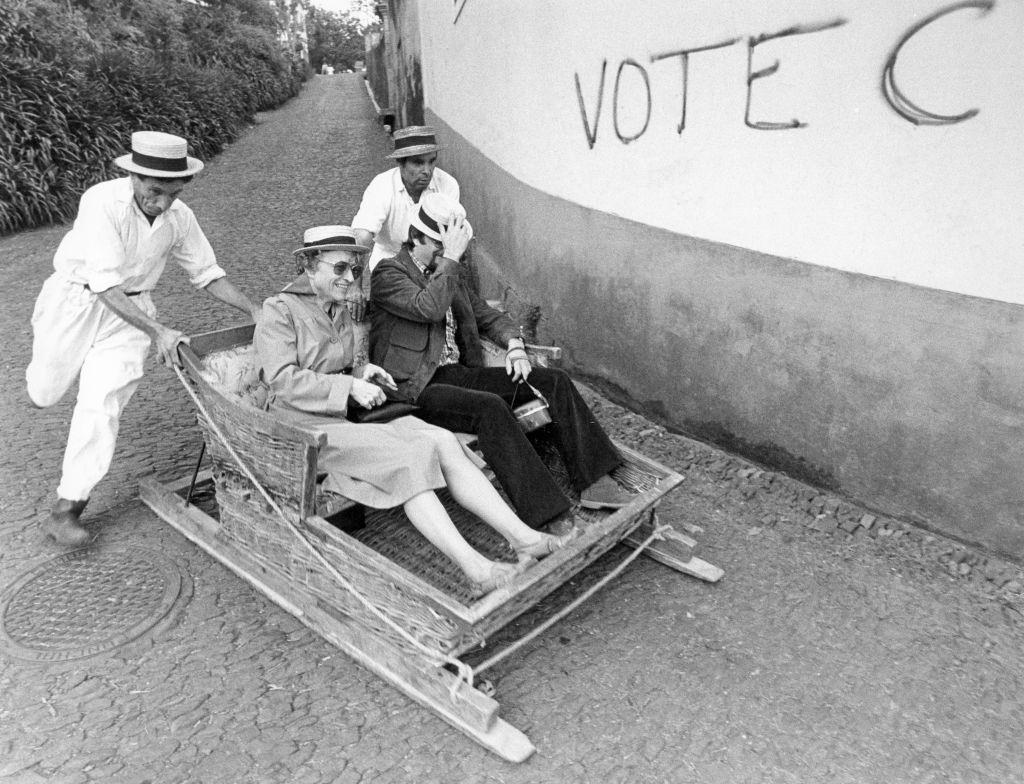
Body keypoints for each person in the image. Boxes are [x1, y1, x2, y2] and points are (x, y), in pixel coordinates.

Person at [255, 225, 570, 595]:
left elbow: (328, 364)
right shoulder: (279, 310)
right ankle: (477, 569)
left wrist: (362, 371)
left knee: (442, 440)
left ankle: (523, 538)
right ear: (309, 266)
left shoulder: (334, 306)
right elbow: (281, 380)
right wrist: (349, 386)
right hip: (301, 429)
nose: (349, 278)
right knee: (411, 456)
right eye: (339, 269)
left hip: (342, 415)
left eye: (355, 271)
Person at [26, 130, 260, 547]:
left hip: (131, 315)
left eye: (174, 192)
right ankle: (45, 378)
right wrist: (161, 332)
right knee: (45, 391)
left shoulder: (179, 217)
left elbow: (207, 273)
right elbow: (103, 284)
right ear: (134, 176)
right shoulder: (101, 202)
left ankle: (67, 508)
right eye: (156, 191)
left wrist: (255, 311)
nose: (165, 202)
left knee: (102, 403)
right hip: (75, 301)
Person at [369, 193, 634, 531]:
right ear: (416, 237)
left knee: (554, 382)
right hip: (414, 388)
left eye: (449, 248)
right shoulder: (389, 273)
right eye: (439, 247)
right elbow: (428, 307)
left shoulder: (450, 271)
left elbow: (487, 316)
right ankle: (549, 514)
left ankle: (595, 483)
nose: (446, 254)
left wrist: (515, 346)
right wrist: (450, 258)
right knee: (490, 407)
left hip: (458, 374)